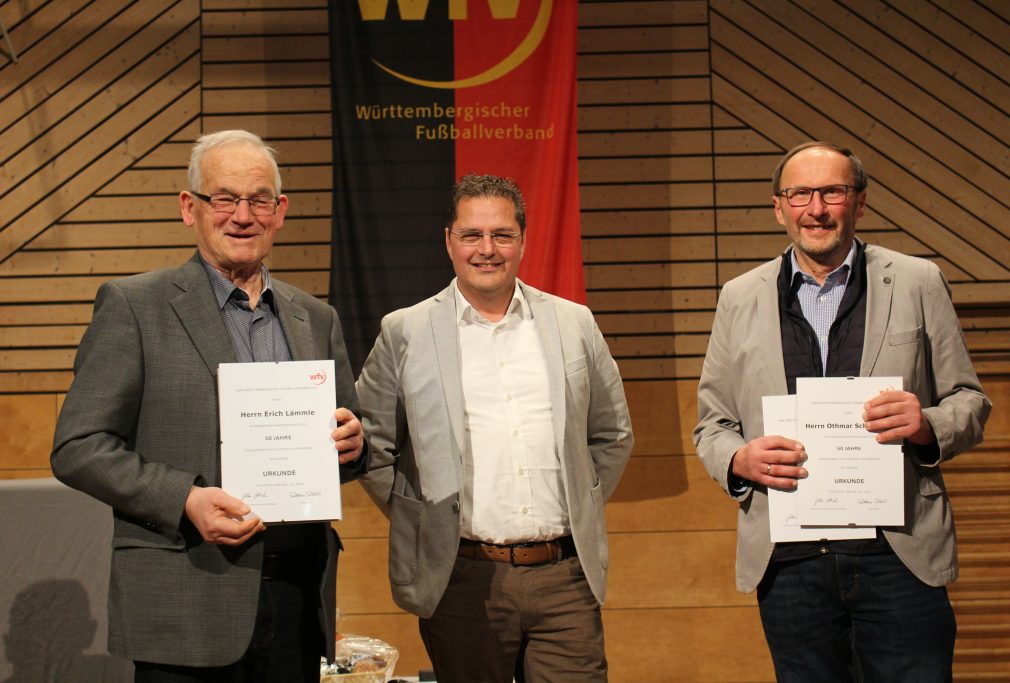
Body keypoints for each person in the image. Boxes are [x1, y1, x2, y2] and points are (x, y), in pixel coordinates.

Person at [50, 129, 366, 682]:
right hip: (186, 600)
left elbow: (347, 440)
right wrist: (185, 498)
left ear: (279, 212)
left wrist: (353, 445)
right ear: (189, 207)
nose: (242, 216)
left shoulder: (315, 317)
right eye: (224, 198)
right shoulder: (134, 306)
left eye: (259, 200)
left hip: (296, 598)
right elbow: (78, 446)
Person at [694, 141, 991, 682]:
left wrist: (927, 424)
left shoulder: (917, 281)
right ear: (779, 207)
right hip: (789, 558)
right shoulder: (739, 296)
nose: (816, 208)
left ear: (860, 202)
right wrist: (739, 460)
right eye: (800, 194)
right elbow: (712, 425)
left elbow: (969, 402)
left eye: (832, 192)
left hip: (898, 551)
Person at [356, 174, 633, 682]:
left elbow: (612, 434)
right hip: (460, 577)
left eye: (502, 235)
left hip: (566, 577)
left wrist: (582, 499)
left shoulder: (574, 323)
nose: (487, 249)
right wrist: (424, 520)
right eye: (472, 235)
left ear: (522, 240)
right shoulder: (405, 331)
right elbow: (372, 446)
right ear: (449, 241)